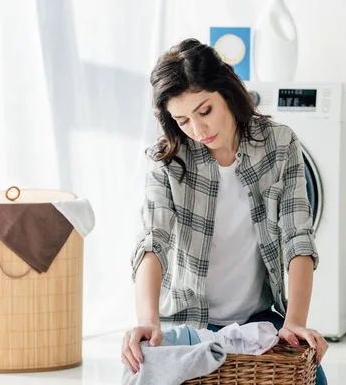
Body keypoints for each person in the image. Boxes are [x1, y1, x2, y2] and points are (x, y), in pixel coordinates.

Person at [122, 38, 329, 384]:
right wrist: (148, 321)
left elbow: (298, 238)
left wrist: (294, 321)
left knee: (311, 380)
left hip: (260, 318)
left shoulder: (280, 145)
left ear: (227, 93)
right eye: (183, 120)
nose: (198, 130)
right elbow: (152, 242)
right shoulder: (167, 161)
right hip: (188, 321)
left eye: (205, 111)